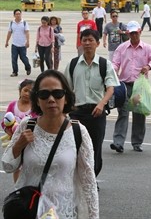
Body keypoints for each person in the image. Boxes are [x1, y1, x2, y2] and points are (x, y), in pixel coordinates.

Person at [2, 70, 99, 218]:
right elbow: (8, 166)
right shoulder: (27, 126)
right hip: (28, 211)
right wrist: (19, 144)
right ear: (37, 100)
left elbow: (89, 184)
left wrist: (93, 216)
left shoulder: (78, 132)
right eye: (44, 94)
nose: (51, 99)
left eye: (58, 93)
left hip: (62, 213)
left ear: (66, 98)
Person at [65, 29, 119, 178]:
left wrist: (101, 104)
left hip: (97, 112)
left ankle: (92, 179)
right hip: (77, 113)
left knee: (95, 147)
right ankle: (76, 178)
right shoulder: (73, 64)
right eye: (84, 40)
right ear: (80, 42)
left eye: (91, 40)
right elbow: (66, 89)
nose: (87, 43)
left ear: (97, 43)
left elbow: (110, 88)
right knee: (74, 146)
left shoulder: (104, 64)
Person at [110, 21, 151, 153]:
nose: (134, 36)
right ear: (127, 34)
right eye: (131, 33)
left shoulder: (148, 48)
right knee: (123, 112)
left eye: (136, 33)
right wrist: (113, 71)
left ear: (140, 32)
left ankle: (137, 142)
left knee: (139, 113)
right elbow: (115, 63)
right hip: (125, 85)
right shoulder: (122, 48)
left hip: (139, 86)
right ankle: (118, 142)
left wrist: (149, 66)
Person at [1, 79, 36, 182]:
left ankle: (28, 186)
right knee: (17, 166)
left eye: (30, 92)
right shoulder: (12, 105)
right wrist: (8, 130)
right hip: (15, 141)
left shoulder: (34, 108)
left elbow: (36, 123)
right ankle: (18, 189)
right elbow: (5, 120)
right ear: (20, 90)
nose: (27, 93)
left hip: (28, 142)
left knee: (27, 164)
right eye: (25, 90)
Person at [5, 9, 31, 77]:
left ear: (21, 14)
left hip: (23, 44)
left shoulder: (24, 23)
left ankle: (28, 67)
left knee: (23, 58)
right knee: (14, 58)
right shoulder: (11, 23)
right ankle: (15, 72)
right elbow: (9, 32)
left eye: (19, 14)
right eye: (16, 14)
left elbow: (27, 32)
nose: (18, 15)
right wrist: (7, 41)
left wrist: (28, 41)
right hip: (14, 44)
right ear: (14, 15)